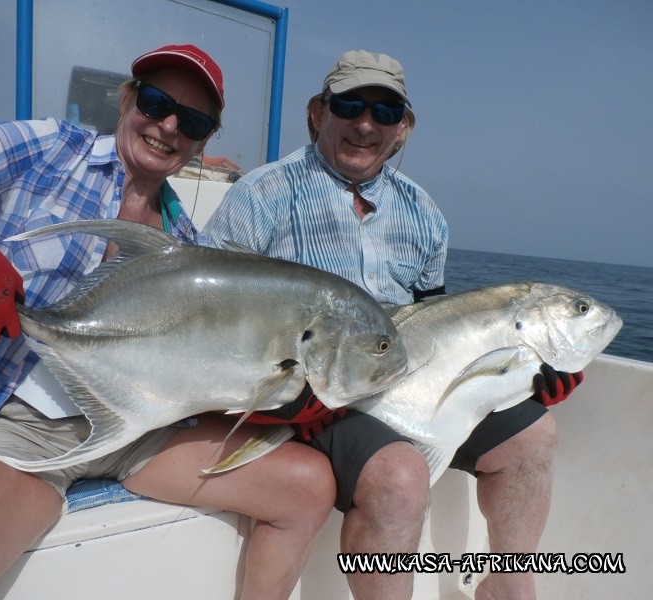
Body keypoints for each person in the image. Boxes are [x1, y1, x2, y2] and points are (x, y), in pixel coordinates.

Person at [0, 44, 336, 600]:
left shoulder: (188, 250)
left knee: (307, 487)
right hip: (21, 425)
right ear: (127, 100)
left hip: (140, 427)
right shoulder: (49, 149)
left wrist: (282, 398)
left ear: (202, 140)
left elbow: (198, 372)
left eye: (194, 121)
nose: (169, 126)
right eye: (156, 103)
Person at [204, 49, 583, 600]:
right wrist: (278, 391)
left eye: (384, 113)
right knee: (400, 479)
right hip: (313, 395)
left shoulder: (424, 214)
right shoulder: (260, 196)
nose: (365, 124)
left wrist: (529, 374)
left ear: (402, 129)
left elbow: (438, 321)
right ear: (318, 112)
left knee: (533, 436)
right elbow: (213, 315)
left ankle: (507, 587)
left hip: (408, 379)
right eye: (350, 105)